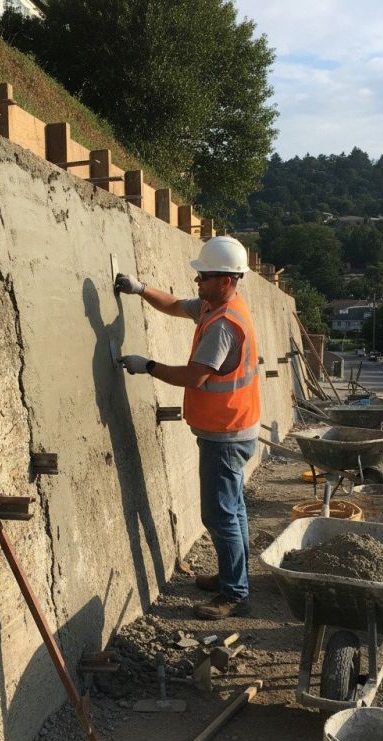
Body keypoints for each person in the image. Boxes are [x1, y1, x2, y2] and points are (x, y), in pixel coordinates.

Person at [115, 236, 260, 620]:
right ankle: (234, 577)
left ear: (226, 279)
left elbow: (195, 377)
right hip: (234, 427)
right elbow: (176, 305)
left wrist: (148, 366)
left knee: (219, 516)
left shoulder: (223, 325)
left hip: (225, 434)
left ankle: (235, 594)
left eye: (204, 276)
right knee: (234, 510)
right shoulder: (218, 305)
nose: (197, 281)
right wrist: (141, 289)